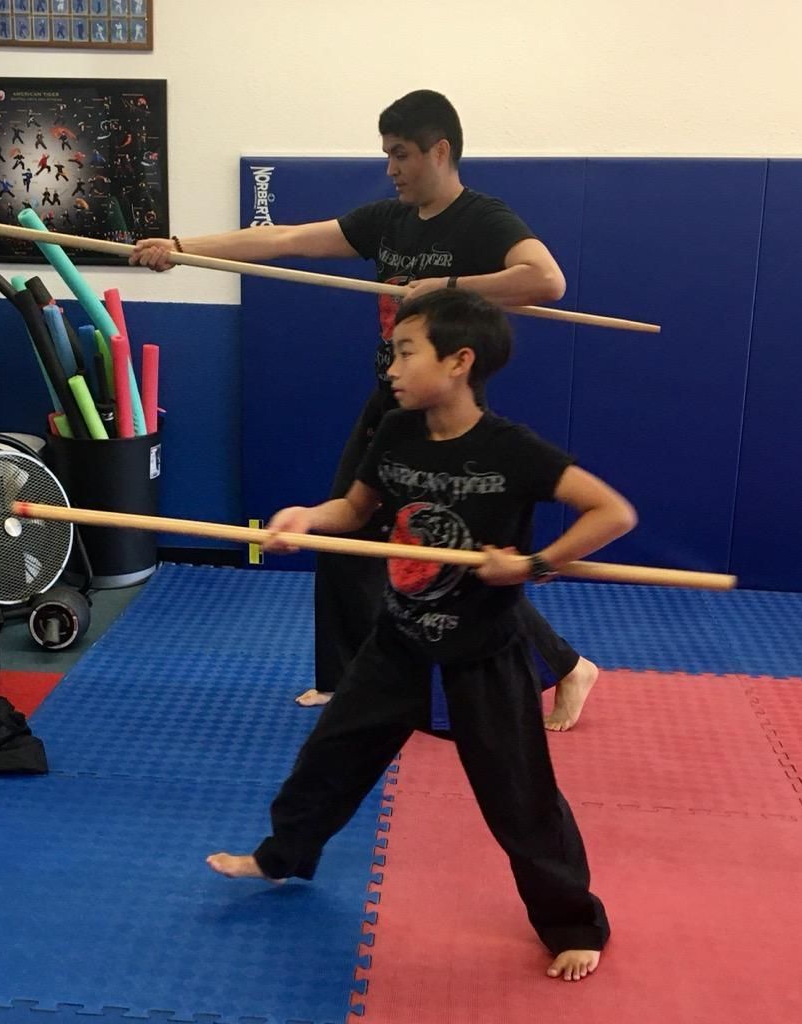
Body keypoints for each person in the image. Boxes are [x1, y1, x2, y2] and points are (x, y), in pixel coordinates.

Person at [130, 90, 597, 731]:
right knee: (345, 531)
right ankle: (345, 682)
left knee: (449, 562)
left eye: (401, 154)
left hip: (448, 417)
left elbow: (546, 281)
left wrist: (451, 287)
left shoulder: (482, 220)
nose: (392, 168)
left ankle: (568, 667)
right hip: (391, 402)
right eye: (387, 155)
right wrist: (183, 246)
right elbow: (290, 237)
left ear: (441, 150)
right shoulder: (389, 221)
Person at [207, 290, 637, 981]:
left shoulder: (511, 451)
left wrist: (531, 564)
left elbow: (610, 511)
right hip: (397, 644)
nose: (393, 369)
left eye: (406, 353)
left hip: (481, 660)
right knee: (327, 759)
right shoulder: (395, 433)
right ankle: (281, 856)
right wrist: (305, 519)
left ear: (459, 361)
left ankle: (571, 922)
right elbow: (353, 509)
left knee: (519, 801)